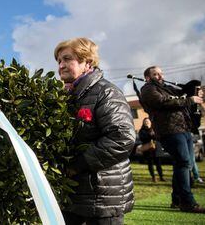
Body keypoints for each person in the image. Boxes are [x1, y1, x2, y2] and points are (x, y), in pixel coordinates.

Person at [54, 37, 135, 225]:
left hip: (103, 196)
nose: (61, 65)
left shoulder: (105, 92)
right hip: (72, 194)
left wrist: (77, 164)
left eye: (67, 59)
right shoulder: (64, 97)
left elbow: (122, 138)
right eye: (59, 61)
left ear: (87, 62)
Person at [140, 66, 205, 213]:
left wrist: (193, 89)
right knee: (183, 162)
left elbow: (180, 93)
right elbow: (163, 103)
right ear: (148, 78)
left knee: (183, 164)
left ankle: (177, 199)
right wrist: (189, 100)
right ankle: (187, 202)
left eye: (161, 73)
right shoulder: (148, 89)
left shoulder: (166, 88)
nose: (160, 76)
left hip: (183, 128)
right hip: (169, 131)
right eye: (156, 74)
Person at [138, 117, 165, 182]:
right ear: (143, 123)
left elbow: (158, 137)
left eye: (147, 121)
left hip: (156, 148)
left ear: (150, 122)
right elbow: (143, 138)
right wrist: (150, 134)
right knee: (150, 164)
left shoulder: (154, 129)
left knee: (158, 164)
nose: (146, 122)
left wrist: (151, 130)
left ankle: (161, 177)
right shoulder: (142, 131)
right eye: (145, 122)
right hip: (148, 149)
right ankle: (153, 177)